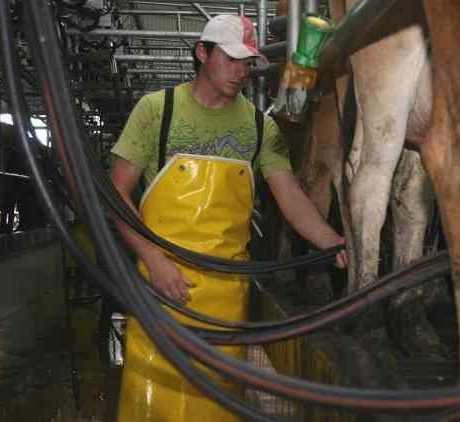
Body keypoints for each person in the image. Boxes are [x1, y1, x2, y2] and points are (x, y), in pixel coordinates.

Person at [109, 14, 347, 422]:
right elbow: (115, 193)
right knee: (154, 407)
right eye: (231, 59)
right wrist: (152, 258)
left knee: (217, 406)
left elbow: (289, 195)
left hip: (226, 299)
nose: (241, 71)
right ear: (202, 53)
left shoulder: (259, 127)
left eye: (247, 62)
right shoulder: (157, 111)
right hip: (161, 290)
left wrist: (331, 241)